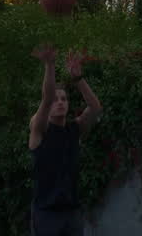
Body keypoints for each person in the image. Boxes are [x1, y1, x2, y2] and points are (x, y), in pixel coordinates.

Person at [29, 44, 103, 236]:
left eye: (64, 99)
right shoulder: (39, 129)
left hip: (71, 212)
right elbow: (46, 98)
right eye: (56, 100)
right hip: (46, 215)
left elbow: (95, 108)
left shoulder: (74, 130)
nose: (60, 102)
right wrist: (50, 65)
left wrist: (78, 79)